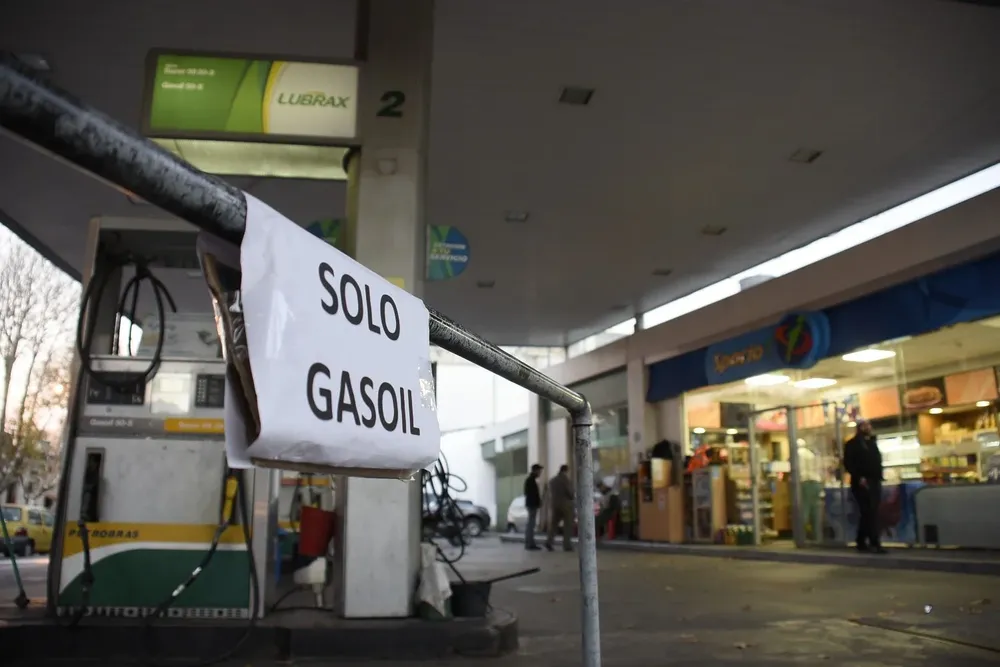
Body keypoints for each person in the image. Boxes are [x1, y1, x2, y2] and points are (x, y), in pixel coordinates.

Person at [843, 420, 886, 554]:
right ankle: (873, 542)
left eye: (869, 425)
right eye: (865, 426)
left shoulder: (871, 443)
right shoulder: (853, 444)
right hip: (862, 482)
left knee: (870, 512)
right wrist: (859, 477)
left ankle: (862, 540)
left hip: (874, 481)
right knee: (869, 511)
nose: (868, 428)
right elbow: (849, 463)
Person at [546, 464, 574, 552]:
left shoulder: (552, 481)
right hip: (566, 505)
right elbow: (570, 492)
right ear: (566, 471)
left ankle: (549, 542)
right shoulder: (565, 480)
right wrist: (573, 496)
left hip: (555, 505)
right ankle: (567, 545)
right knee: (568, 525)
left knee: (554, 525)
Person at [523, 463, 543, 550]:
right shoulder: (530, 481)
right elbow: (531, 494)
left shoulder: (531, 480)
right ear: (535, 470)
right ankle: (530, 543)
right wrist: (537, 502)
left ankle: (530, 542)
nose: (540, 473)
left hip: (531, 504)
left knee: (531, 524)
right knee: (531, 524)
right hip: (532, 505)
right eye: (539, 471)